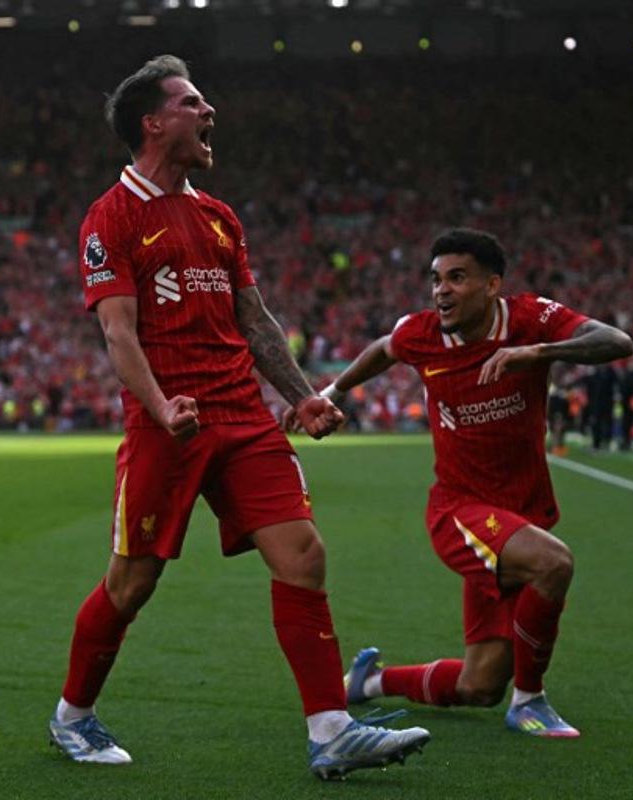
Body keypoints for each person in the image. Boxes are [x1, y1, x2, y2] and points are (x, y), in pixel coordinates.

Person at [49, 55, 430, 780]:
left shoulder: (219, 216)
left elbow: (253, 320)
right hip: (170, 426)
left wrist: (301, 394)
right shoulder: (111, 216)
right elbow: (118, 333)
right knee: (132, 585)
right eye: (193, 103)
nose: (210, 112)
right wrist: (161, 407)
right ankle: (72, 717)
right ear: (152, 124)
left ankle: (330, 730)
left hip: (245, 418)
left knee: (304, 555)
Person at [293, 228, 633, 738]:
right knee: (553, 564)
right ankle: (531, 701)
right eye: (435, 280)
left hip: (520, 513)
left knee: (479, 685)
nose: (441, 291)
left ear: (492, 284)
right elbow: (386, 348)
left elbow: (617, 341)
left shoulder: (528, 319)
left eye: (457, 278)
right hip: (461, 511)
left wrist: (536, 354)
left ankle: (370, 683)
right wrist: (333, 389)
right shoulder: (424, 333)